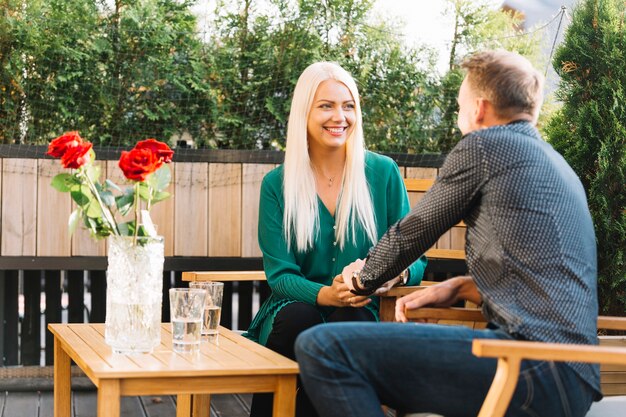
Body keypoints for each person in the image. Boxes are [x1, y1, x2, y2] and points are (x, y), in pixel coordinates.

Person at [294, 50, 602, 417]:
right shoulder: (555, 164)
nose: (459, 119)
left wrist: (361, 280)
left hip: (528, 367)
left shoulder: (486, 146)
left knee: (323, 347)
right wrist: (460, 287)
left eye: (459, 107)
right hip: (573, 377)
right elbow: (543, 275)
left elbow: (414, 232)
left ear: (480, 109)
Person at [245, 61, 428, 417]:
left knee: (351, 328)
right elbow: (280, 275)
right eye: (326, 105)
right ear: (304, 112)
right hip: (292, 308)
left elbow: (415, 258)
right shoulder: (277, 185)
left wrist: (392, 275)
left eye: (348, 106)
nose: (339, 116)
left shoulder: (383, 172)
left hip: (364, 308)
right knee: (301, 320)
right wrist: (325, 294)